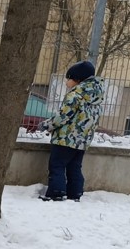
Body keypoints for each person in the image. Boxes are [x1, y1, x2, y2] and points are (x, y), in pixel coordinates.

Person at [40, 60, 103, 202]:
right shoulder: (97, 98)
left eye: (69, 78)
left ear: (78, 79)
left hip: (66, 138)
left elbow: (63, 116)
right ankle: (75, 193)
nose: (66, 82)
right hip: (82, 140)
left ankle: (56, 192)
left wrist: (47, 125)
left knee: (57, 165)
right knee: (74, 167)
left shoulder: (75, 95)